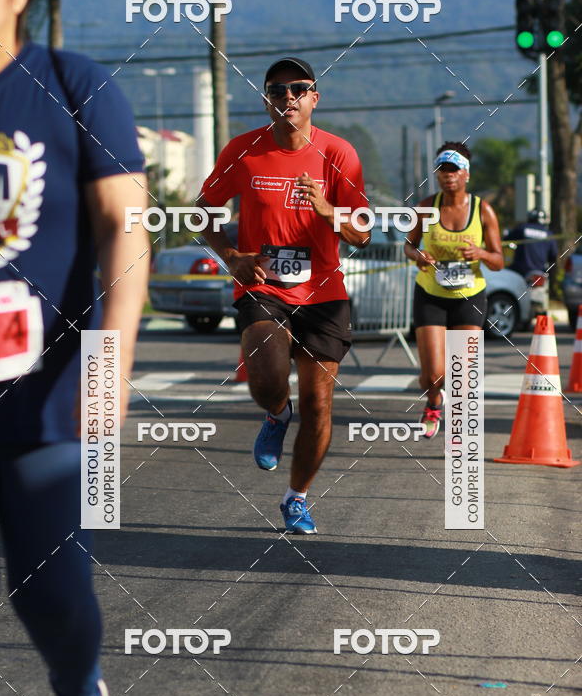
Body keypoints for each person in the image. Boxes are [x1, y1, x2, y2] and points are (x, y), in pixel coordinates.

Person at [0, 0, 149, 696]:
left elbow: (125, 225)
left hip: (46, 402)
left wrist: (109, 358)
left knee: (52, 599)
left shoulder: (75, 85)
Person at [197, 56, 370, 534]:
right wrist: (230, 255)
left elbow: (362, 233)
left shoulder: (339, 154)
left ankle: (297, 498)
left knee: (320, 404)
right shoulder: (244, 150)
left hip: (323, 293)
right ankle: (276, 412)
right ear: (267, 101)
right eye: (277, 90)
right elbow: (203, 209)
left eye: (299, 88)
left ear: (315, 97)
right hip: (262, 284)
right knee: (266, 376)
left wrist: (328, 209)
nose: (288, 97)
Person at [404, 142, 503, 439]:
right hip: (431, 294)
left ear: (466, 174)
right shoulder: (425, 207)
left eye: (453, 170)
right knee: (431, 375)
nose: (447, 176)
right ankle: (434, 401)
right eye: (442, 170)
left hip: (469, 296)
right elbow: (408, 245)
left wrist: (481, 253)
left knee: (462, 374)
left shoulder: (482, 210)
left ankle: (459, 429)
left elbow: (499, 260)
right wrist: (418, 256)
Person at [504, 208, 558, 277]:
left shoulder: (522, 228)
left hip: (520, 271)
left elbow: (506, 241)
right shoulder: (549, 234)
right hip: (539, 272)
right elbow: (553, 256)